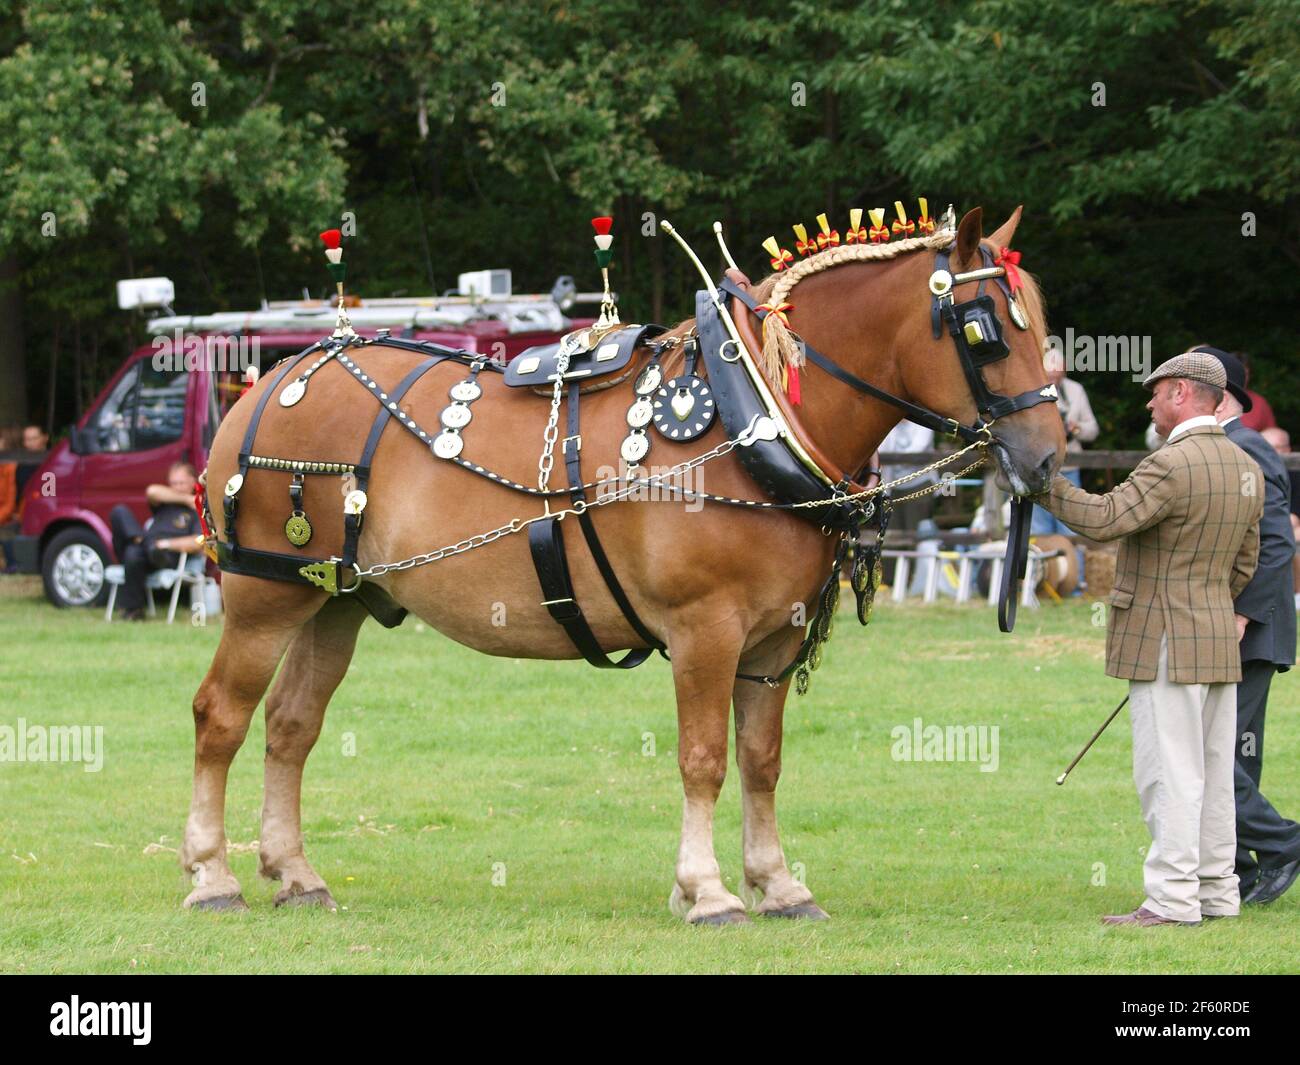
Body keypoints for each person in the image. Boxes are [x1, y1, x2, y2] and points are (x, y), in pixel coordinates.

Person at [1036, 351, 1263, 926]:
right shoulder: (1245, 465)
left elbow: (1106, 517)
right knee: (1211, 774)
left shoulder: (1174, 462)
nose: (1150, 402)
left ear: (1183, 393)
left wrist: (1042, 484)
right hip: (1215, 635)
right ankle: (1215, 892)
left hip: (1163, 636)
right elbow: (1245, 564)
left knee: (1168, 773)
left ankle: (1171, 900)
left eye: (1157, 392)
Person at [1205, 350, 1300, 904]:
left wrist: (1242, 614)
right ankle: (1236, 867)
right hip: (1235, 626)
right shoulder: (1224, 446)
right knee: (1234, 752)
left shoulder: (1246, 446)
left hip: (1250, 627)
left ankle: (1284, 842)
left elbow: (1277, 541)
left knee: (1216, 752)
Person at [108, 462, 203, 620]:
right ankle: (141, 541)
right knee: (119, 513)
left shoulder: (197, 511)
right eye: (173, 483)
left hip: (166, 554)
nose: (176, 487)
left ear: (193, 482)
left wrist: (165, 544)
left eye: (181, 483)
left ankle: (131, 610)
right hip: (145, 547)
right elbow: (152, 491)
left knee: (137, 552)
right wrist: (186, 499)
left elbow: (197, 542)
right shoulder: (165, 501)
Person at [1237, 353, 1278, 433]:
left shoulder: (1259, 402)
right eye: (1237, 372)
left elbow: (1272, 436)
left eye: (1246, 373)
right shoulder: (1212, 398)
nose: (1242, 377)